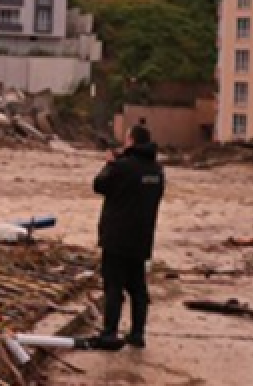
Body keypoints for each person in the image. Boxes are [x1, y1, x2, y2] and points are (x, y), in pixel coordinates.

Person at [93, 124, 165, 349]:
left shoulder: (122, 167)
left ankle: (110, 333)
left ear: (131, 141)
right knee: (138, 288)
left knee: (113, 286)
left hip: (116, 237)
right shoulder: (157, 170)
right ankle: (137, 333)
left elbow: (99, 185)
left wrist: (109, 164)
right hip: (142, 237)